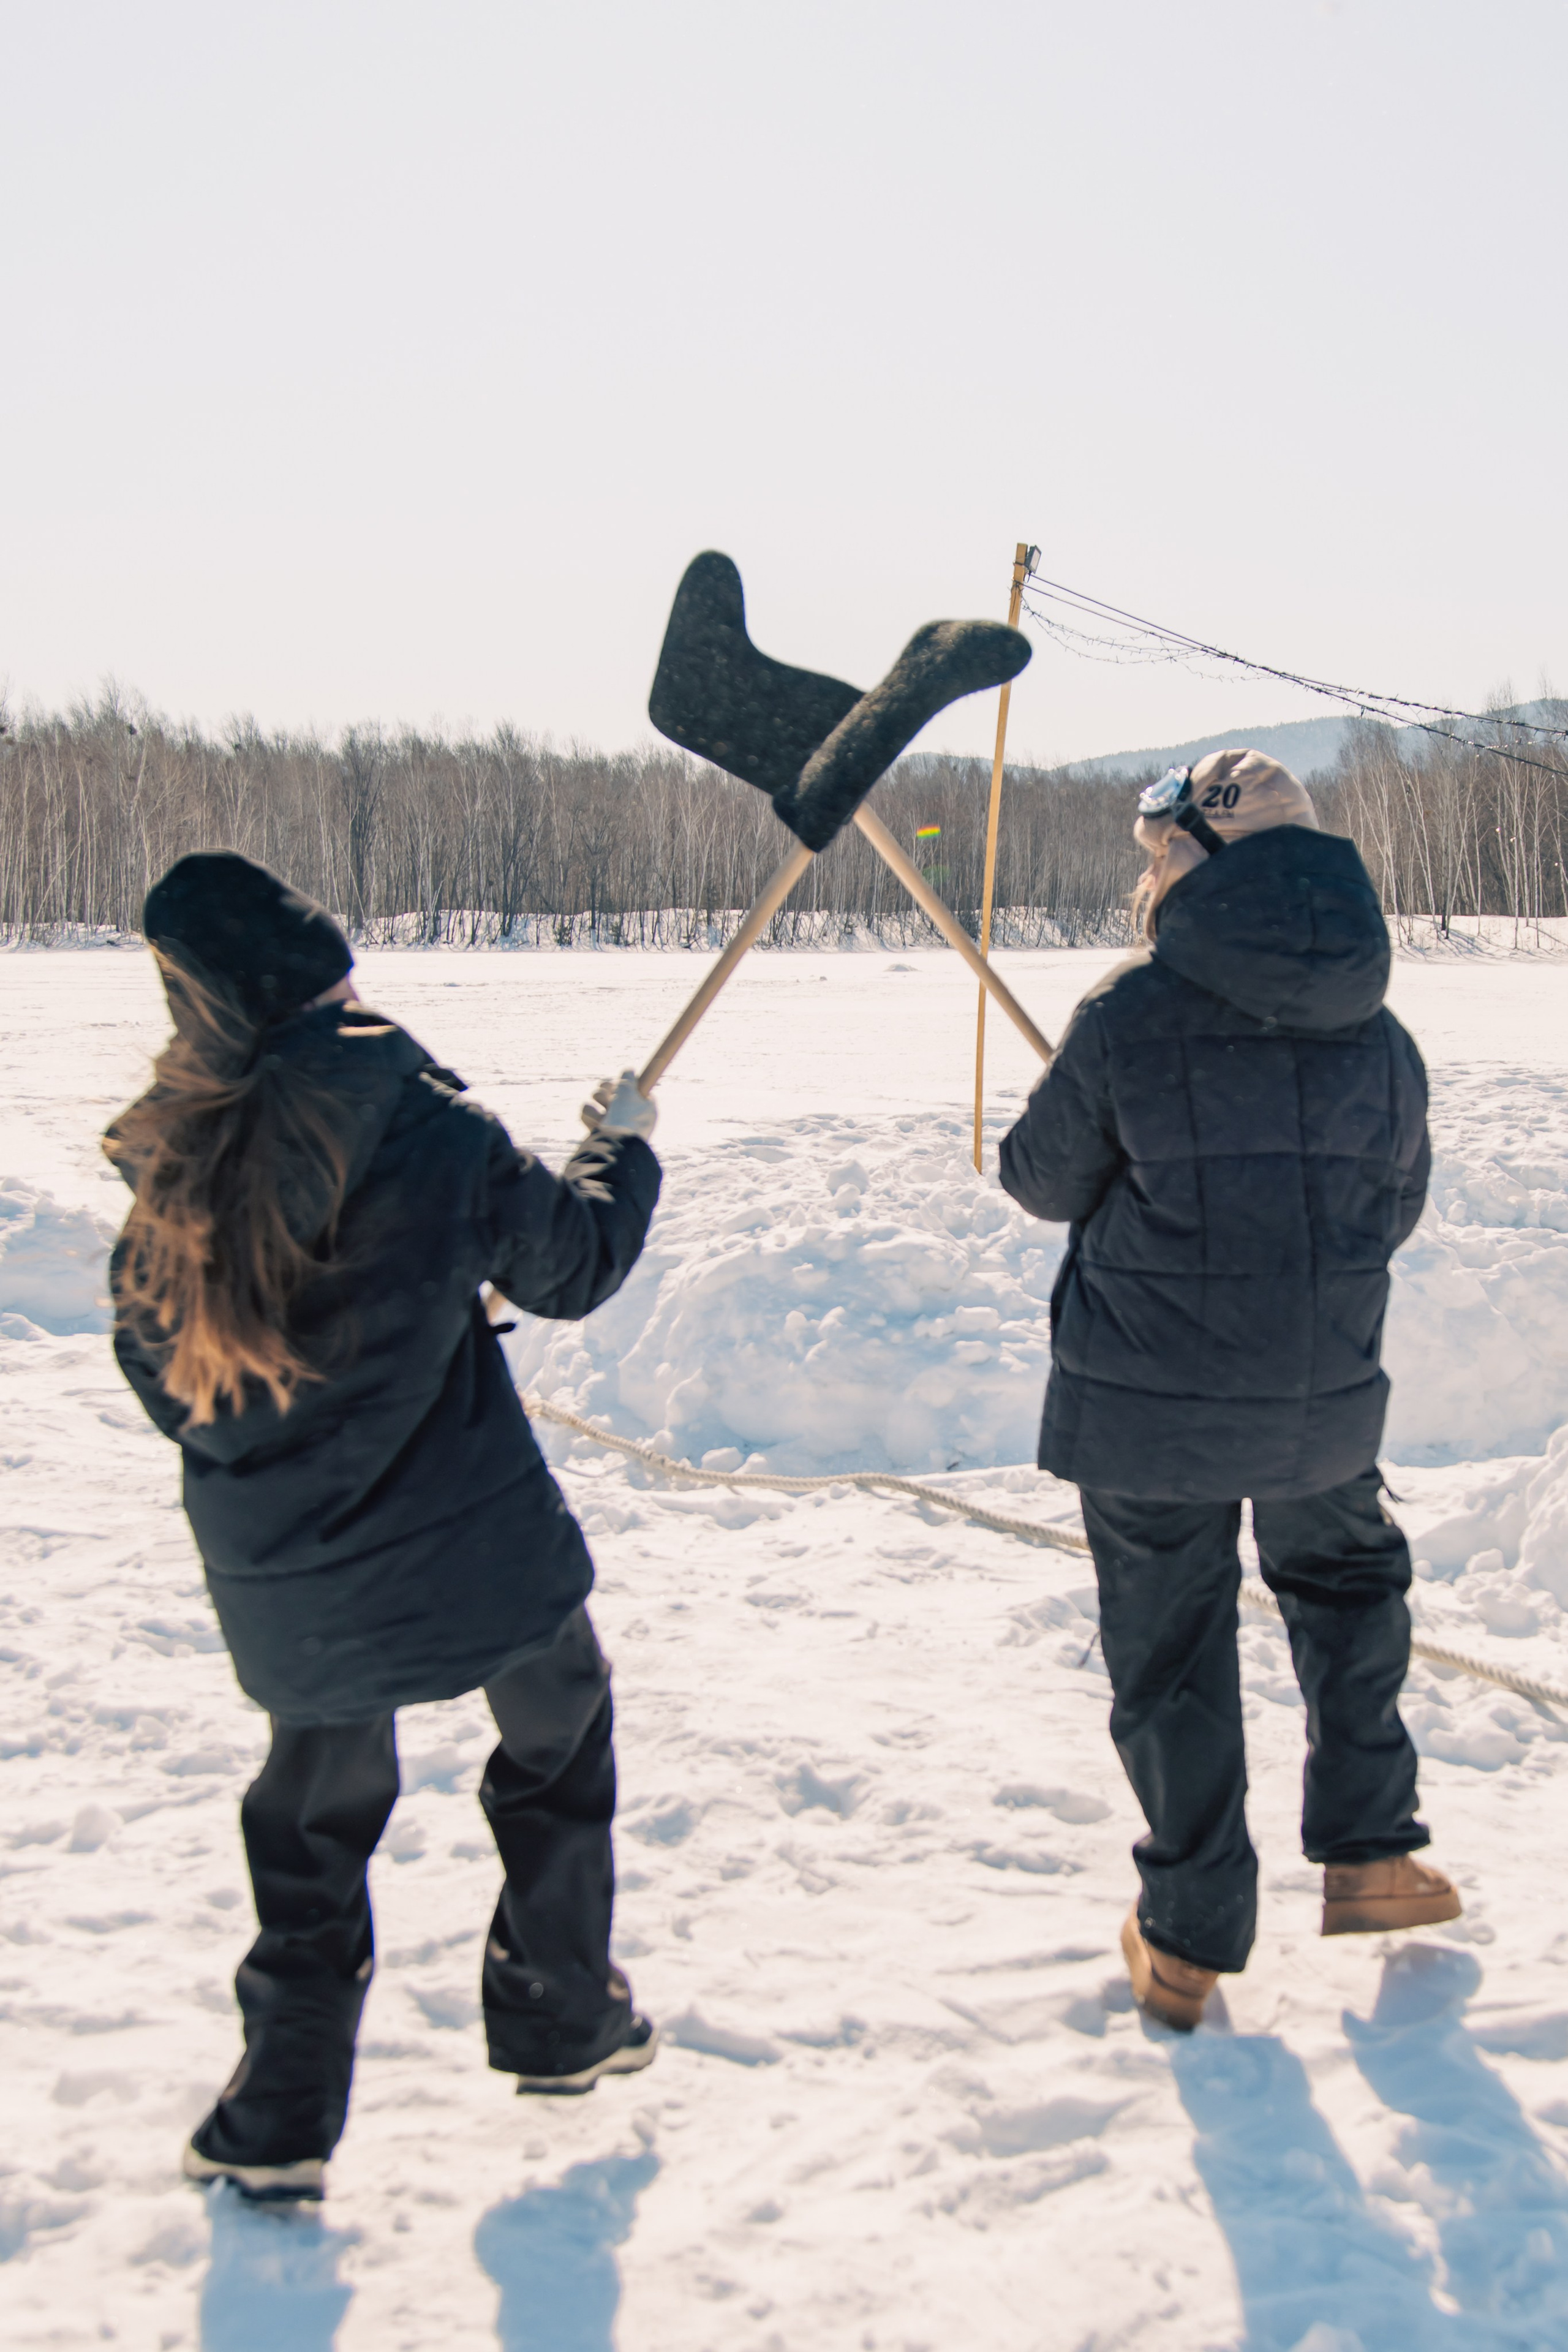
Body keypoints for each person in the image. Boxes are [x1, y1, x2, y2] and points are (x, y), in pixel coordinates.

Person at [105, 851, 663, 2199]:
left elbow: (158, 1369)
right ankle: (560, 2013)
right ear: (323, 981)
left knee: (313, 1821)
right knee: (559, 1733)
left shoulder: (180, 1152)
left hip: (290, 1570)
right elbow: (575, 1262)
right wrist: (623, 1147)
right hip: (472, 1544)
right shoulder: (426, 1122)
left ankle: (278, 2120)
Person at [998, 750, 1460, 2033]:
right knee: (1347, 1589)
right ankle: (1371, 1854)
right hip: (1318, 1385)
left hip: (1148, 1397)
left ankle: (1189, 1936)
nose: (1145, 875)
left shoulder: (1126, 1012)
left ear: (1199, 857)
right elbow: (1395, 1206)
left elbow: (1039, 1180)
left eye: (1157, 852)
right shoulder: (1381, 1032)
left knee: (1170, 1644)